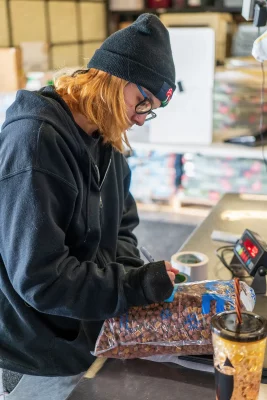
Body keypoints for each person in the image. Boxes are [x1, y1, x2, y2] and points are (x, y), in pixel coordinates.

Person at [0, 13, 177, 400]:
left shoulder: (106, 139)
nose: (141, 118)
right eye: (142, 101)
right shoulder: (35, 143)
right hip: (35, 354)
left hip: (87, 336)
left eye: (150, 109)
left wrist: (136, 280)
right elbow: (40, 278)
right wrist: (133, 285)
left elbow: (122, 229)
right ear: (113, 77)